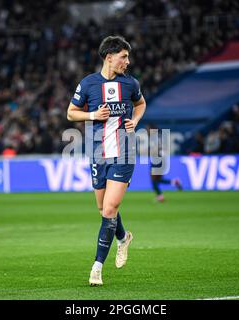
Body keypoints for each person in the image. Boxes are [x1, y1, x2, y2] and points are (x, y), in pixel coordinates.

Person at [67, 35, 146, 286]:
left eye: (128, 56)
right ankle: (123, 238)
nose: (128, 61)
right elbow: (71, 113)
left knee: (110, 209)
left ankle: (97, 267)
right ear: (109, 57)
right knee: (103, 209)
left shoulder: (130, 83)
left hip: (124, 153)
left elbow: (141, 103)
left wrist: (136, 120)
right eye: (124, 56)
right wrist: (92, 114)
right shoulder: (88, 84)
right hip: (98, 154)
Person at [145, 124, 182, 202]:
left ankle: (160, 196)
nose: (147, 131)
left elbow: (157, 149)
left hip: (158, 159)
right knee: (157, 180)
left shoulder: (154, 138)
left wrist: (150, 151)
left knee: (154, 179)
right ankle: (174, 182)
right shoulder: (157, 137)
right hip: (160, 159)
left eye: (148, 129)